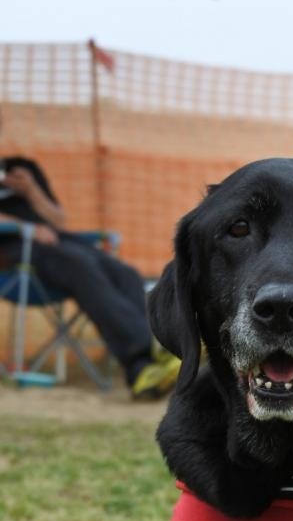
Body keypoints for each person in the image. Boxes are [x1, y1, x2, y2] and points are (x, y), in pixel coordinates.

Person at [0, 156, 180, 398]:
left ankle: (142, 372)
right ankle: (149, 352)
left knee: (126, 274)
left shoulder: (21, 167)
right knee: (80, 266)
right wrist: (26, 228)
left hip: (59, 243)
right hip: (13, 252)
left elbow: (58, 222)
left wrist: (30, 189)